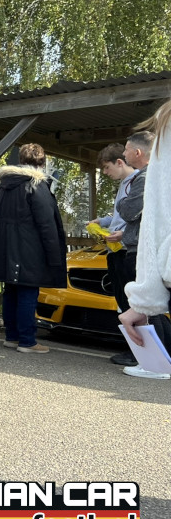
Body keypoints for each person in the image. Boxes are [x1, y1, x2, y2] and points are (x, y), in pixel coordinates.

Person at [0, 143, 66, 353]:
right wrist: (55, 256)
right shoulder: (36, 185)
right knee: (28, 292)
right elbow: (47, 223)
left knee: (11, 291)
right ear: (42, 161)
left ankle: (11, 336)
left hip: (6, 247)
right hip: (30, 248)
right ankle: (27, 341)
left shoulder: (4, 186)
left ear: (21, 159)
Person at [114, 130, 167, 378]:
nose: (123, 153)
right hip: (148, 249)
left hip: (144, 251)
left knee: (148, 308)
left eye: (126, 149)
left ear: (137, 152)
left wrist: (123, 203)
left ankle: (156, 365)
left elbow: (127, 210)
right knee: (148, 308)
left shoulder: (146, 178)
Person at [89, 144, 139, 367]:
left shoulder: (137, 182)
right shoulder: (124, 183)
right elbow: (120, 216)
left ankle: (138, 351)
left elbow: (138, 218)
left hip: (126, 250)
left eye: (107, 167)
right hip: (116, 250)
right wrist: (103, 221)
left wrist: (123, 234)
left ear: (120, 162)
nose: (105, 173)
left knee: (130, 304)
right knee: (122, 301)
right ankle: (134, 349)